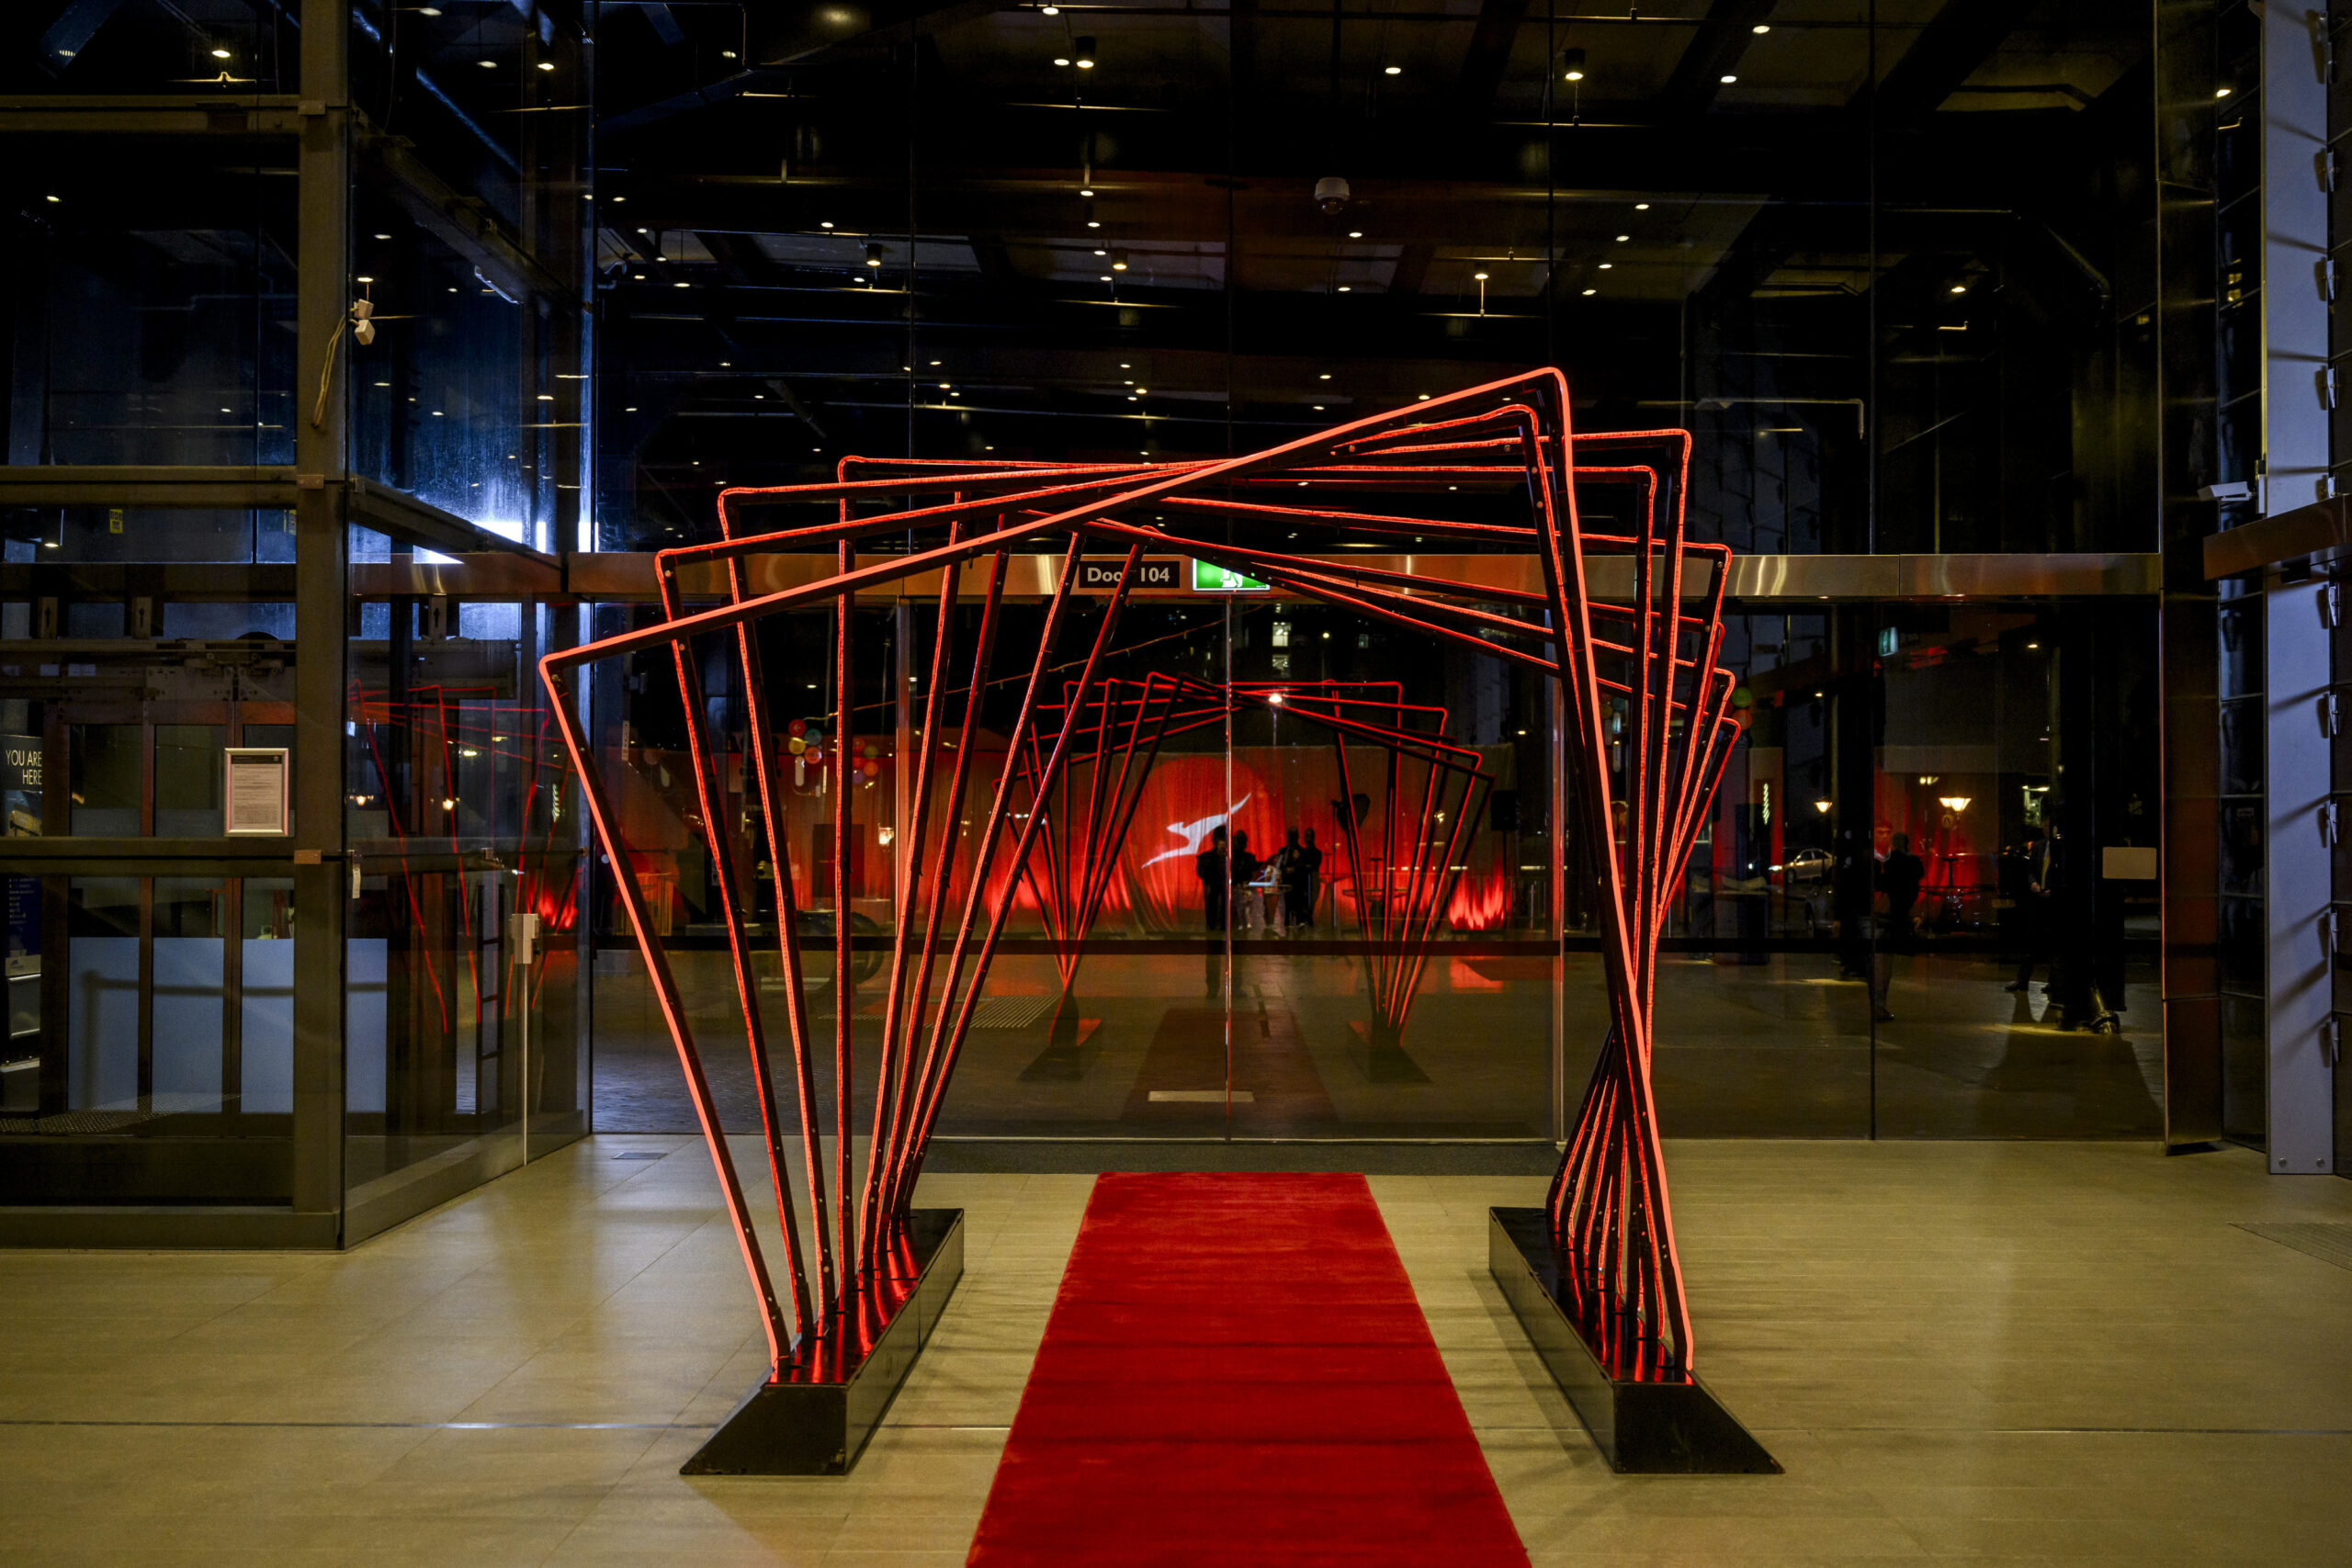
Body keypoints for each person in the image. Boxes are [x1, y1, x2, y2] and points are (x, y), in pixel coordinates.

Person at [1871, 829, 1924, 1021]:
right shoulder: (1911, 864)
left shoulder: (1890, 863)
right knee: (1885, 966)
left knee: (1881, 964)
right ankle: (1879, 1006)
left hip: (1886, 916)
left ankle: (1878, 1006)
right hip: (1896, 917)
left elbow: (1881, 884)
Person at [2006, 829, 2055, 993]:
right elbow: (2031, 869)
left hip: (2052, 900)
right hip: (2038, 899)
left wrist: (2053, 889)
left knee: (2052, 941)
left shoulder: (2060, 846)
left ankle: (2053, 981)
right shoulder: (2038, 846)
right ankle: (2023, 979)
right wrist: (2033, 883)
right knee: (2031, 938)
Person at [1230, 829, 1263, 934]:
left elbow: (1255, 868)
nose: (1241, 843)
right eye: (1239, 841)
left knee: (1249, 908)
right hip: (1236, 889)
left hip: (1246, 889)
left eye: (1243, 841)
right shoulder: (1231, 858)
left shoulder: (1248, 858)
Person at [1196, 824, 1227, 933]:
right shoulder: (1207, 857)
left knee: (1223, 905)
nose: (1222, 846)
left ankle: (1220, 924)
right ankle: (1212, 924)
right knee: (1212, 904)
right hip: (1212, 883)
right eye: (1221, 843)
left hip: (1223, 884)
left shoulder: (1228, 856)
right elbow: (1201, 872)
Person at [1291, 828, 1323, 932]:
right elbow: (1303, 865)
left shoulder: (1317, 853)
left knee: (1311, 901)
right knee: (1306, 903)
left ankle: (1307, 922)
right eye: (1306, 836)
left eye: (1309, 836)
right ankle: (1307, 922)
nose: (1307, 838)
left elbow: (1313, 865)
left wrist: (1304, 866)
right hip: (1304, 880)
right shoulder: (1303, 853)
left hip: (1312, 879)